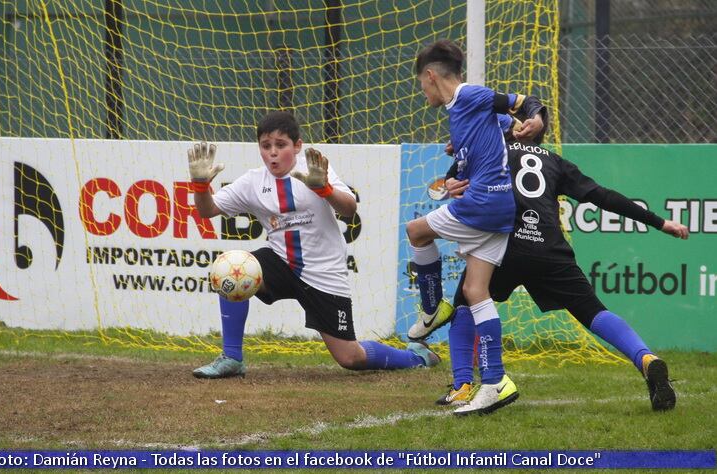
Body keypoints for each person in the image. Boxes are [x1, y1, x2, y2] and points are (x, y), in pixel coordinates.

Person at [410, 113, 686, 412]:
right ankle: (646, 359)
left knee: (465, 300)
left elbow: (455, 182)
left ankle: (463, 386)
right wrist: (659, 222)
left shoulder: (493, 153)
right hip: (550, 248)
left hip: (505, 243)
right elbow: (602, 197)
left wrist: (458, 152)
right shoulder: (555, 162)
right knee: (593, 311)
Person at [188, 110, 439, 378]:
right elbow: (208, 210)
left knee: (350, 357)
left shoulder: (316, 170)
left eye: (281, 145)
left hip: (324, 273)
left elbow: (349, 209)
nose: (273, 152)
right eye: (266, 146)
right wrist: (201, 186)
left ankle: (417, 357)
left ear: (297, 146)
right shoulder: (252, 182)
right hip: (281, 263)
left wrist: (325, 189)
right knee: (231, 270)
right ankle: (232, 358)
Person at [405, 40, 545, 415]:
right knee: (475, 290)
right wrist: (457, 174)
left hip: (485, 206)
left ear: (432, 76)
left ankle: (433, 309)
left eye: (422, 84)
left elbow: (518, 102)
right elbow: (505, 127)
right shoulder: (464, 113)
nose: (423, 92)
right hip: (499, 208)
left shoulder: (468, 95)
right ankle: (496, 382)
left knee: (416, 231)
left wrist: (536, 115)